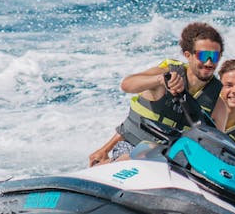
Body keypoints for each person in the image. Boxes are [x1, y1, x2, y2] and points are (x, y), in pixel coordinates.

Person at [89, 22, 225, 165]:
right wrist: (159, 80)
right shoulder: (165, 74)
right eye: (203, 55)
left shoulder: (218, 101)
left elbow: (216, 147)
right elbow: (127, 84)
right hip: (131, 149)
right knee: (140, 158)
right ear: (188, 55)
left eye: (215, 56)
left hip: (172, 160)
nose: (209, 63)